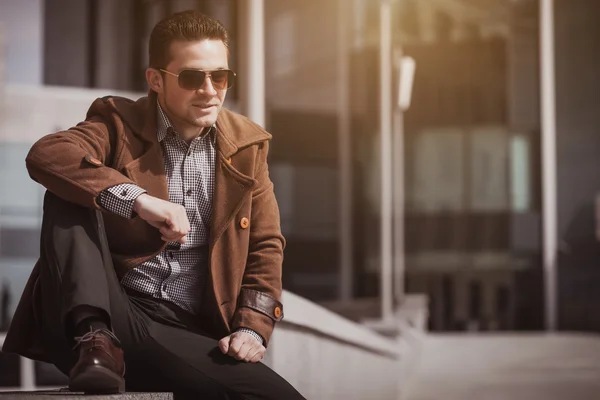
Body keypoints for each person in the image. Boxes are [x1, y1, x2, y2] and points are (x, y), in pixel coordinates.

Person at [2, 10, 305, 400]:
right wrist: (139, 200)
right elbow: (48, 154)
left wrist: (252, 325)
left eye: (221, 77)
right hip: (114, 311)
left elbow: (266, 243)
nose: (210, 90)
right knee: (70, 186)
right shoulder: (117, 123)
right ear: (156, 80)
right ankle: (96, 341)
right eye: (193, 77)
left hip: (189, 329)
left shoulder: (246, 148)